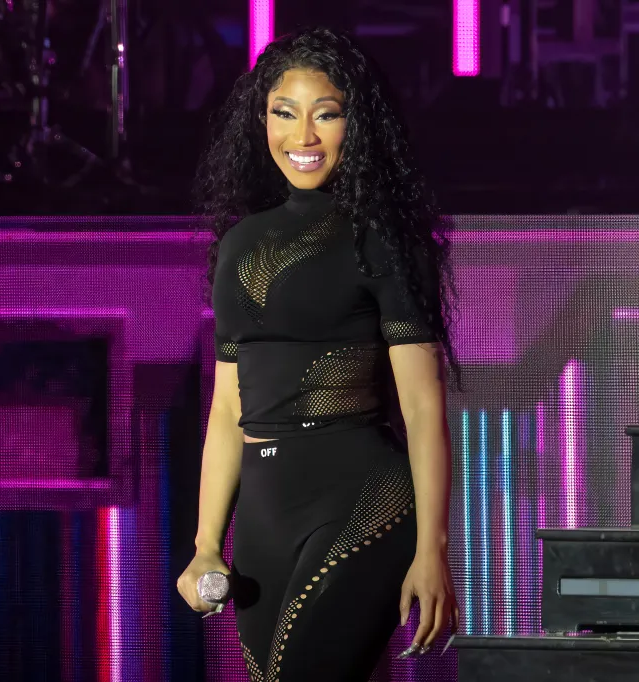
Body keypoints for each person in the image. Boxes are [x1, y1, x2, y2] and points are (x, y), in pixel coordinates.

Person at [176, 26, 459, 681]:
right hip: (264, 519)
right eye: (284, 112)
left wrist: (432, 549)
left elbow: (422, 408)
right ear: (261, 120)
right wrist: (205, 546)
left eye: (325, 114)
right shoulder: (240, 243)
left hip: (361, 501)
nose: (302, 135)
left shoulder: (381, 239)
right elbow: (228, 411)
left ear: (355, 125)